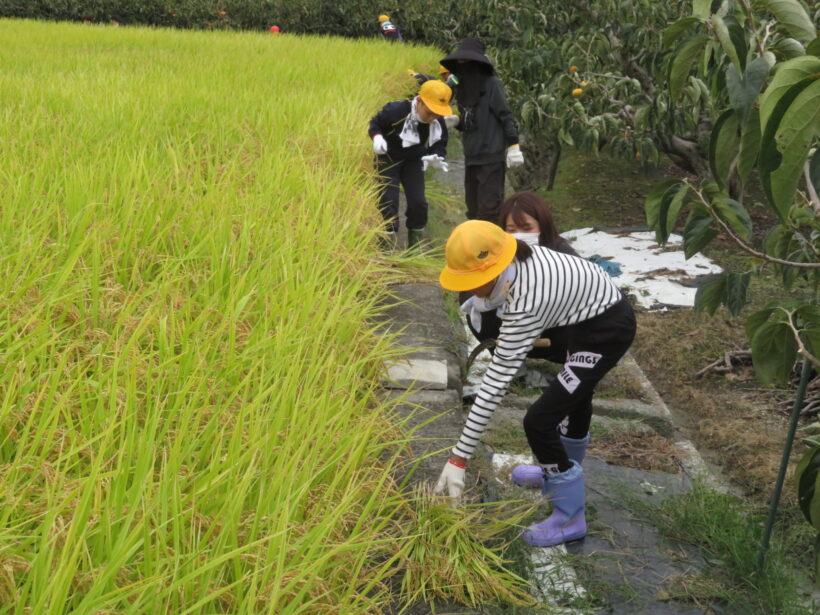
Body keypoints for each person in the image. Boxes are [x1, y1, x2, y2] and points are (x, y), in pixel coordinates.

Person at [434, 220, 636, 547]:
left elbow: (496, 382)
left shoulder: (526, 301)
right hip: (577, 319)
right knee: (574, 396)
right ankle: (555, 468)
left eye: (476, 281)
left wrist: (459, 457)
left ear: (498, 267)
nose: (470, 289)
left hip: (605, 330)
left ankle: (570, 516)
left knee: (539, 420)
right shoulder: (513, 260)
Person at [461, 191, 578, 366]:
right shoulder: (495, 253)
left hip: (553, 335)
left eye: (527, 228)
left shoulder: (562, 254)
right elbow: (468, 289)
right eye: (511, 230)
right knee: (476, 311)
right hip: (507, 330)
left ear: (542, 225)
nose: (519, 236)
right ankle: (507, 361)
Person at [440, 38, 524, 223]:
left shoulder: (492, 84)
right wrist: (457, 122)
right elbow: (472, 121)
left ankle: (493, 250)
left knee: (489, 211)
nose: (464, 67)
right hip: (471, 155)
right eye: (460, 63)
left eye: (467, 62)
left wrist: (513, 144)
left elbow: (505, 115)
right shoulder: (463, 88)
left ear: (477, 63)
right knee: (473, 211)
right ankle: (475, 250)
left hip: (491, 156)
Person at [368, 79, 452, 249]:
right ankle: (386, 249)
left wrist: (436, 156)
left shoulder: (437, 118)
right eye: (429, 112)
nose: (433, 117)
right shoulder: (397, 110)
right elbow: (375, 123)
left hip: (414, 160)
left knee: (418, 203)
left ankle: (414, 248)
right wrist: (377, 138)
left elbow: (439, 142)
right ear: (419, 102)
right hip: (388, 157)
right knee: (388, 200)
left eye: (437, 113)